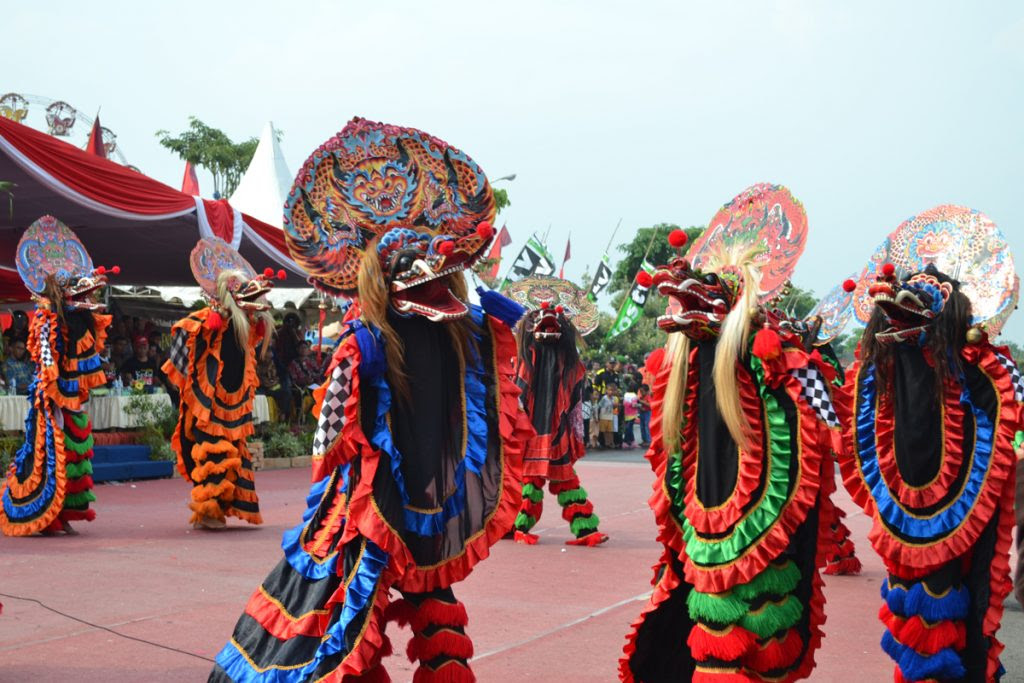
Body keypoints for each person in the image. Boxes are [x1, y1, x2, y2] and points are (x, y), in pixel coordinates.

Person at [210, 117, 530, 682]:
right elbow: (331, 439)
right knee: (355, 602)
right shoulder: (369, 342)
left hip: (417, 496)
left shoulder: (459, 331)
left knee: (419, 590)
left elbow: (325, 444)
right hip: (377, 503)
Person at [622, 187, 830, 682]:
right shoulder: (686, 366)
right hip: (705, 523)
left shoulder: (774, 363)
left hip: (760, 522)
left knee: (762, 623)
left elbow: (825, 421)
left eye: (708, 293)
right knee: (713, 630)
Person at [835, 206, 1020, 682]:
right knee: (915, 611)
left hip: (957, 515)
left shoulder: (979, 372)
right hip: (905, 514)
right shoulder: (877, 376)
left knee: (958, 607)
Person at [1, 215, 113, 536]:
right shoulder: (47, 321)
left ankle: (65, 512)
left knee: (73, 452)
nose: (87, 298)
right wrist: (53, 396)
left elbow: (86, 355)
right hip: (51, 398)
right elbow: (46, 360)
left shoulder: (81, 321)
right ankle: (46, 514)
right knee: (50, 454)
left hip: (71, 397)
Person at [163, 238, 279, 530]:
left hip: (234, 403)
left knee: (233, 454)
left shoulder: (249, 328)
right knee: (213, 453)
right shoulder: (209, 322)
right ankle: (208, 510)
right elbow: (182, 340)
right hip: (210, 405)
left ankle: (223, 505)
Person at [503, 278, 607, 547]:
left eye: (556, 316)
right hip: (536, 431)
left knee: (555, 480)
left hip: (551, 431)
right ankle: (521, 526)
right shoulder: (525, 359)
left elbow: (572, 401)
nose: (547, 322)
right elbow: (518, 394)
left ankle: (581, 530)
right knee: (540, 481)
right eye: (539, 317)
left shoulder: (567, 364)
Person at [598, 383, 617, 449]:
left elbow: (614, 407)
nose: (611, 392)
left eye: (612, 390)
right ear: (606, 391)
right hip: (603, 416)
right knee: (604, 431)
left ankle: (610, 443)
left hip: (610, 416)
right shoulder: (604, 398)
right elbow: (599, 406)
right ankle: (605, 443)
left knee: (610, 431)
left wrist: (615, 406)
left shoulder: (613, 399)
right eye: (609, 390)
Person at [621, 381, 638, 448]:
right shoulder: (634, 395)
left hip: (627, 413)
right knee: (629, 428)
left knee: (628, 428)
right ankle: (628, 441)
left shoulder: (625, 394)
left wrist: (627, 403)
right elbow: (634, 405)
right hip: (632, 413)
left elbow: (624, 403)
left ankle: (630, 441)